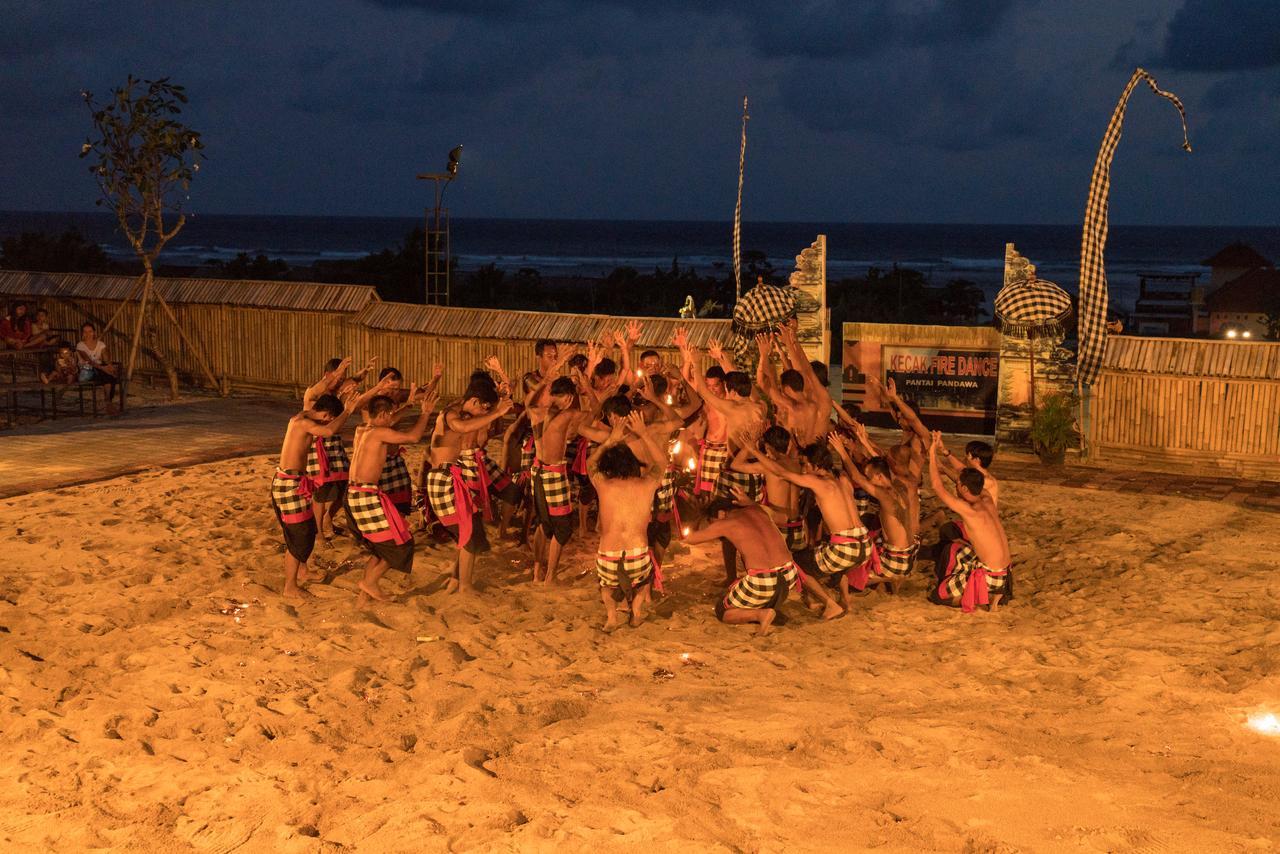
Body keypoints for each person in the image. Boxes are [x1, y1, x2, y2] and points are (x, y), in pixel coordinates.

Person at [747, 440, 864, 612]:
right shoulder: (842, 478)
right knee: (822, 554)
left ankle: (830, 604)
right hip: (863, 545)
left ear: (815, 465)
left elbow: (780, 472)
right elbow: (856, 476)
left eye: (805, 464)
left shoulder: (817, 481)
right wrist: (843, 453)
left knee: (796, 563)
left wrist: (753, 451)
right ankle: (845, 600)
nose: (803, 469)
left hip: (844, 549)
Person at [423, 378, 513, 594]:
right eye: (483, 407)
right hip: (442, 480)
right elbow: (460, 427)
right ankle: (465, 585)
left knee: (470, 531)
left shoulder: (462, 411)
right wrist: (496, 413)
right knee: (469, 533)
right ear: (474, 400)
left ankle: (457, 579)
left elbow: (482, 432)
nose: (485, 411)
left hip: (450, 479)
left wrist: (499, 402)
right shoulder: (451, 414)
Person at [346, 389, 437, 603]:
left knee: (380, 547)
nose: (392, 419)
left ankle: (364, 595)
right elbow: (414, 437)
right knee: (399, 544)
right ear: (384, 414)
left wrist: (408, 407)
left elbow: (389, 420)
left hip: (355, 494)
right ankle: (369, 583)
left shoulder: (362, 430)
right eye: (391, 415)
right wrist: (425, 413)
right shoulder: (379, 433)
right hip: (366, 496)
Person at [588, 412, 667, 632]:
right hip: (638, 555)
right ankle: (637, 612)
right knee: (642, 582)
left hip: (608, 556)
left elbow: (589, 464)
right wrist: (643, 434)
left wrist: (610, 441)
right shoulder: (647, 484)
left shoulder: (603, 484)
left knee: (606, 585)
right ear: (633, 465)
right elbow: (662, 462)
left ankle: (612, 616)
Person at [270, 392, 352, 598]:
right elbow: (327, 431)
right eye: (330, 418)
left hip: (294, 482)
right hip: (289, 486)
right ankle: (290, 587)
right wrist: (349, 410)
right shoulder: (303, 422)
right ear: (326, 415)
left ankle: (303, 572)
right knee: (299, 535)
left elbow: (322, 418)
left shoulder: (303, 415)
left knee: (305, 530)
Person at [684, 503, 805, 637]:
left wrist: (696, 520)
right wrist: (750, 502)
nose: (713, 526)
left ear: (721, 513)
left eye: (712, 522)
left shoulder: (725, 523)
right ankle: (765, 609)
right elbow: (783, 518)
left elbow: (690, 539)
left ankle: (761, 614)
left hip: (763, 581)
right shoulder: (758, 509)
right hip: (789, 574)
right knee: (751, 590)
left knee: (722, 610)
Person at [927, 431, 1013, 612]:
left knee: (938, 596)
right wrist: (945, 455)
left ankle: (980, 597)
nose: (955, 485)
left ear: (964, 487)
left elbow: (937, 487)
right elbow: (963, 475)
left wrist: (931, 454)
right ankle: (991, 594)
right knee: (960, 551)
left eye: (957, 484)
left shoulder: (970, 511)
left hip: (991, 577)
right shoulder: (987, 497)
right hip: (1005, 573)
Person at [829, 433, 920, 594]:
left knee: (845, 576)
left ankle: (890, 577)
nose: (868, 480)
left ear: (879, 476)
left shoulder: (885, 496)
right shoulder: (902, 485)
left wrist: (841, 451)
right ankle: (890, 578)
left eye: (869, 477)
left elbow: (856, 476)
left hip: (896, 561)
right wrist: (864, 444)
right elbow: (886, 465)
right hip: (910, 554)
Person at [526, 359, 588, 584]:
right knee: (562, 529)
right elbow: (592, 413)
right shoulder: (567, 415)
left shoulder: (537, 412)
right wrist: (584, 389)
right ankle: (550, 575)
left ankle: (536, 571)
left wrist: (546, 382)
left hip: (537, 471)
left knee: (543, 524)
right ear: (568, 397)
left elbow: (528, 403)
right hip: (553, 473)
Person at [74, 322, 118, 407]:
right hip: (87, 371)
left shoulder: (100, 344)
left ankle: (108, 400)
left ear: (94, 332)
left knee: (110, 374)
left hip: (99, 368)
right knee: (107, 374)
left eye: (90, 331)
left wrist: (109, 366)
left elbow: (106, 359)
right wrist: (104, 368)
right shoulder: (80, 345)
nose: (88, 334)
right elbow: (88, 361)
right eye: (85, 332)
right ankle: (108, 401)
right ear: (82, 333)